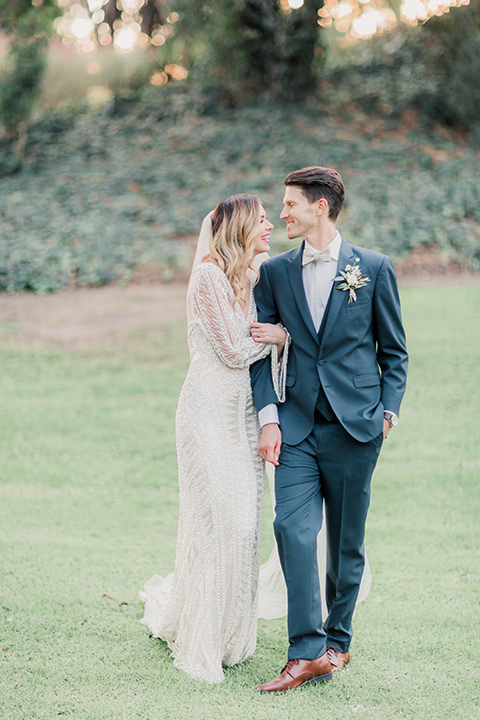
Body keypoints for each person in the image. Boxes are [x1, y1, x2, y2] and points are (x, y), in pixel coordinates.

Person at [250, 166, 408, 693]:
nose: (283, 213)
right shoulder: (272, 273)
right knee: (292, 531)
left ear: (320, 206)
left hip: (355, 427)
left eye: (290, 203)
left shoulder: (374, 268)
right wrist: (269, 418)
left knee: (345, 543)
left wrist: (387, 412)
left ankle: (338, 641)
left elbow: (395, 353)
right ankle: (305, 651)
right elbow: (256, 354)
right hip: (293, 427)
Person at [139, 194, 289, 684]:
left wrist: (279, 332)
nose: (271, 225)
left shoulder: (257, 274)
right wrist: (279, 336)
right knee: (217, 519)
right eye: (263, 219)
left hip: (243, 413)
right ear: (241, 227)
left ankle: (231, 636)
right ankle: (200, 637)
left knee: (245, 522)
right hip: (206, 411)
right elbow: (230, 348)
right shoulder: (207, 275)